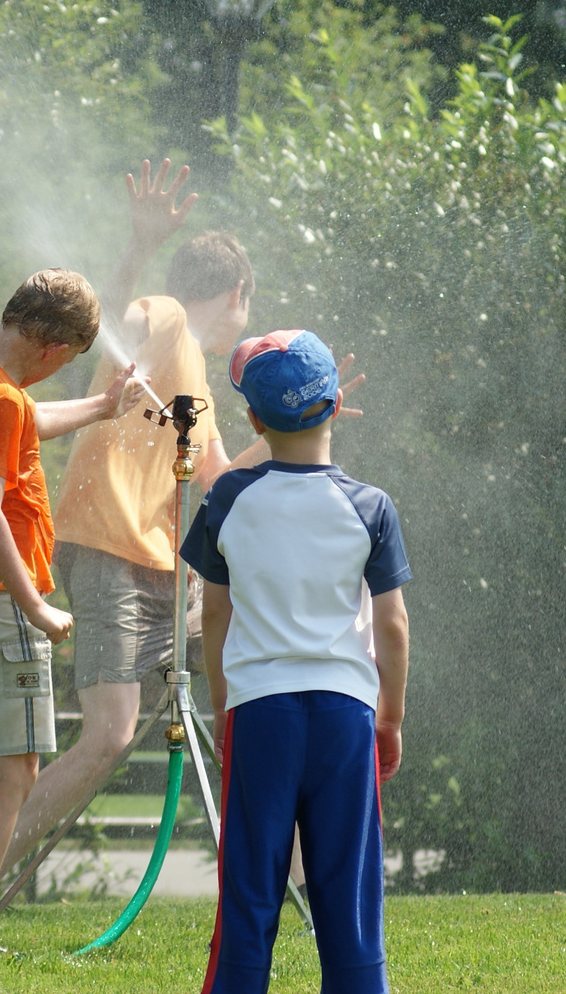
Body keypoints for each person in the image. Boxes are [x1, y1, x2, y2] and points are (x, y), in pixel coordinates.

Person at [0, 159, 364, 865]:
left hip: (170, 574)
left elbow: (223, 477)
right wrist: (138, 248)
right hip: (108, 547)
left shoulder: (196, 384)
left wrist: (304, 420)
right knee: (109, 734)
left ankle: (281, 873)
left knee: (262, 702)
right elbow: (111, 321)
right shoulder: (164, 318)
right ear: (236, 292)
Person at [181, 329, 411, 994]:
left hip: (262, 714)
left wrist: (223, 705)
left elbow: (216, 614)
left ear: (251, 419)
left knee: (250, 889)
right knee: (350, 899)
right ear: (337, 405)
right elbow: (391, 625)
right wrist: (388, 716)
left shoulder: (226, 500)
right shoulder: (370, 507)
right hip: (345, 716)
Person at [0, 268, 144, 960]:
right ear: (52, 350)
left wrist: (99, 407)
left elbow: (26, 423)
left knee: (4, 770)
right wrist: (36, 605)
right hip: (0, 601)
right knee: (14, 774)